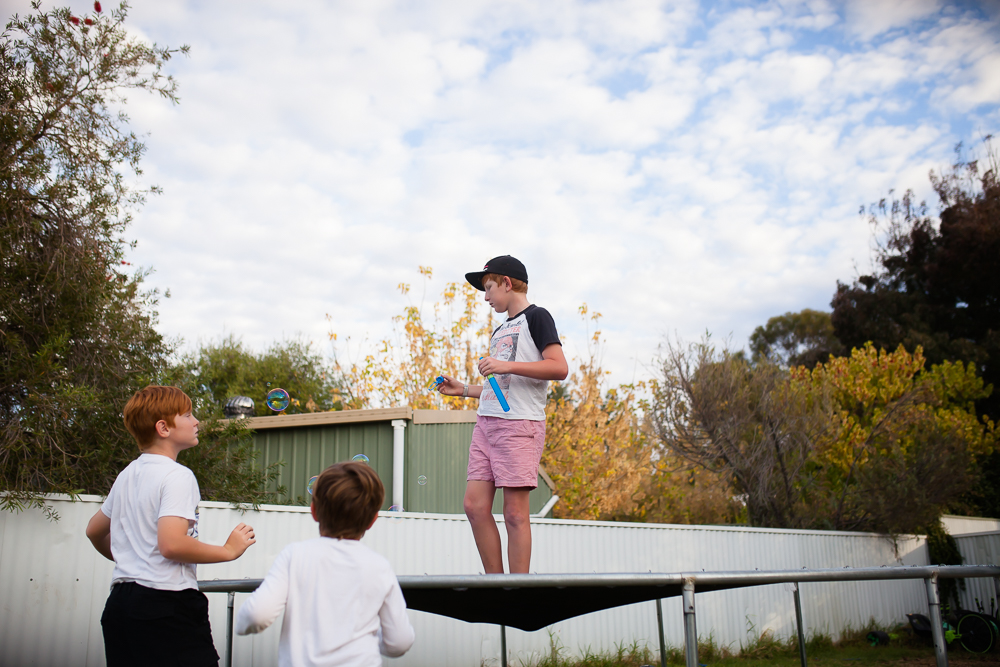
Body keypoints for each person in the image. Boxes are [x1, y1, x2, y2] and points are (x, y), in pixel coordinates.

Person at [85, 385, 256, 667]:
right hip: (165, 607)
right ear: (163, 428)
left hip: (120, 605)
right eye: (188, 414)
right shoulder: (178, 476)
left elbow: (94, 530)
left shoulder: (128, 474)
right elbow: (172, 544)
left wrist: (135, 560)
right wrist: (228, 550)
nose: (196, 421)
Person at [437, 255, 568, 573]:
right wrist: (465, 389)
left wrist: (504, 364)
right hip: (487, 425)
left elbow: (559, 367)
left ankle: (518, 587)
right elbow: (503, 387)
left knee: (514, 513)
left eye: (489, 287)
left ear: (508, 284)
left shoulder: (537, 318)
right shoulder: (500, 330)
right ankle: (496, 583)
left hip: (518, 426)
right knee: (474, 506)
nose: (485, 296)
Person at [235, 461, 415, 667]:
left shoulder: (295, 556)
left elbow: (257, 614)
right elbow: (400, 642)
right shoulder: (379, 566)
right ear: (372, 520)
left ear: (314, 511)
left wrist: (240, 625)